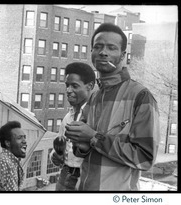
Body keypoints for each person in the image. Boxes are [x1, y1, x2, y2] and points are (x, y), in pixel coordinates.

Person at [65, 23, 160, 191]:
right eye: (98, 47)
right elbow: (85, 149)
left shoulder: (141, 96)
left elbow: (145, 158)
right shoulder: (94, 96)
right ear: (92, 53)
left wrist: (94, 137)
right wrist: (80, 144)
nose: (103, 52)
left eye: (111, 48)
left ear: (122, 55)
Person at [50, 62, 96, 191]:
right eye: (67, 85)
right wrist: (55, 155)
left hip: (85, 178)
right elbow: (60, 147)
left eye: (74, 86)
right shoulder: (68, 117)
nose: (68, 90)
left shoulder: (96, 116)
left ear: (90, 86)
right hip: (64, 176)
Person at [0, 121, 27, 191]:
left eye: (24, 137)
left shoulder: (15, 162)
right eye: (19, 138)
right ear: (8, 143)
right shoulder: (2, 162)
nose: (24, 141)